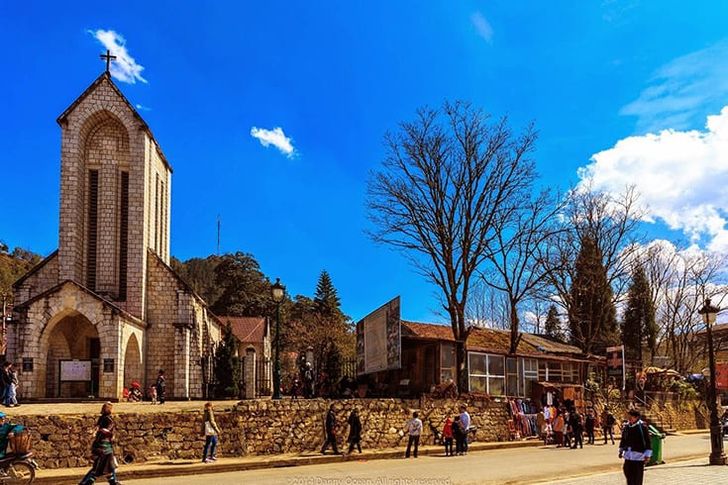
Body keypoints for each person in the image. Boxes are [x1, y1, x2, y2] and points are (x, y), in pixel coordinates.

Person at [79, 402, 121, 485]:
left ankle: (113, 481)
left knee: (107, 465)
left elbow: (97, 429)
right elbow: (107, 431)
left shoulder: (102, 418)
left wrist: (95, 432)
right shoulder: (109, 420)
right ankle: (86, 482)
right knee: (101, 466)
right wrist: (109, 434)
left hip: (100, 446)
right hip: (104, 447)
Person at [619, 410, 652, 485]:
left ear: (636, 417)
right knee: (627, 473)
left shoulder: (642, 426)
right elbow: (623, 439)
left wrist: (647, 455)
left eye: (631, 417)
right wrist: (621, 450)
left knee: (637, 477)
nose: (629, 418)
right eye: (628, 417)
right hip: (628, 455)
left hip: (638, 456)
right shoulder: (627, 427)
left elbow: (647, 441)